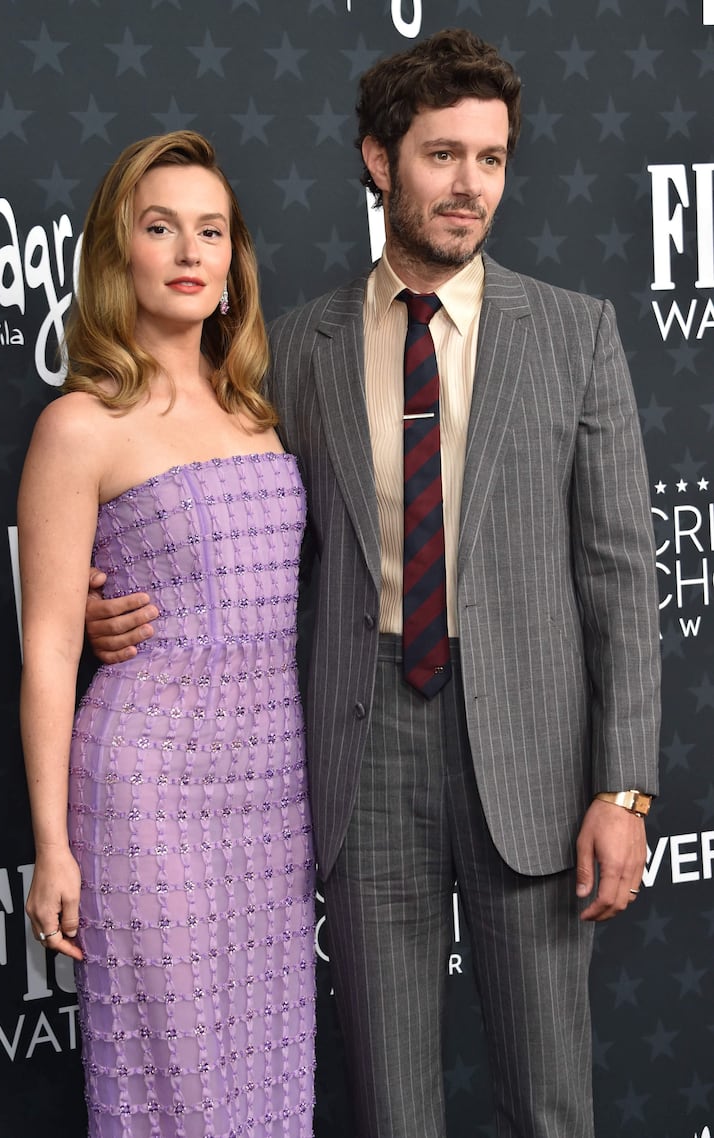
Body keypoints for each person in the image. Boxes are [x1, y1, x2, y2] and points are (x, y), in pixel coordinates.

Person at [84, 30, 660, 1138]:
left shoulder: (576, 337)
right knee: (390, 1110)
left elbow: (619, 577)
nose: (468, 185)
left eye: (489, 159)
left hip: (534, 766)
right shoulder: (291, 348)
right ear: (376, 159)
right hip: (359, 752)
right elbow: (224, 515)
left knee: (550, 1104)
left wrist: (623, 786)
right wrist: (123, 608)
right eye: (442, 155)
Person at [18, 130, 315, 1138]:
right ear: (119, 254)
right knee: (176, 1090)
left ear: (233, 260)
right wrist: (53, 845)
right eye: (160, 228)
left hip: (271, 800)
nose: (189, 252)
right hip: (149, 796)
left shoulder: (258, 411)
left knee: (267, 1084)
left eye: (211, 230)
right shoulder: (81, 424)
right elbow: (52, 648)